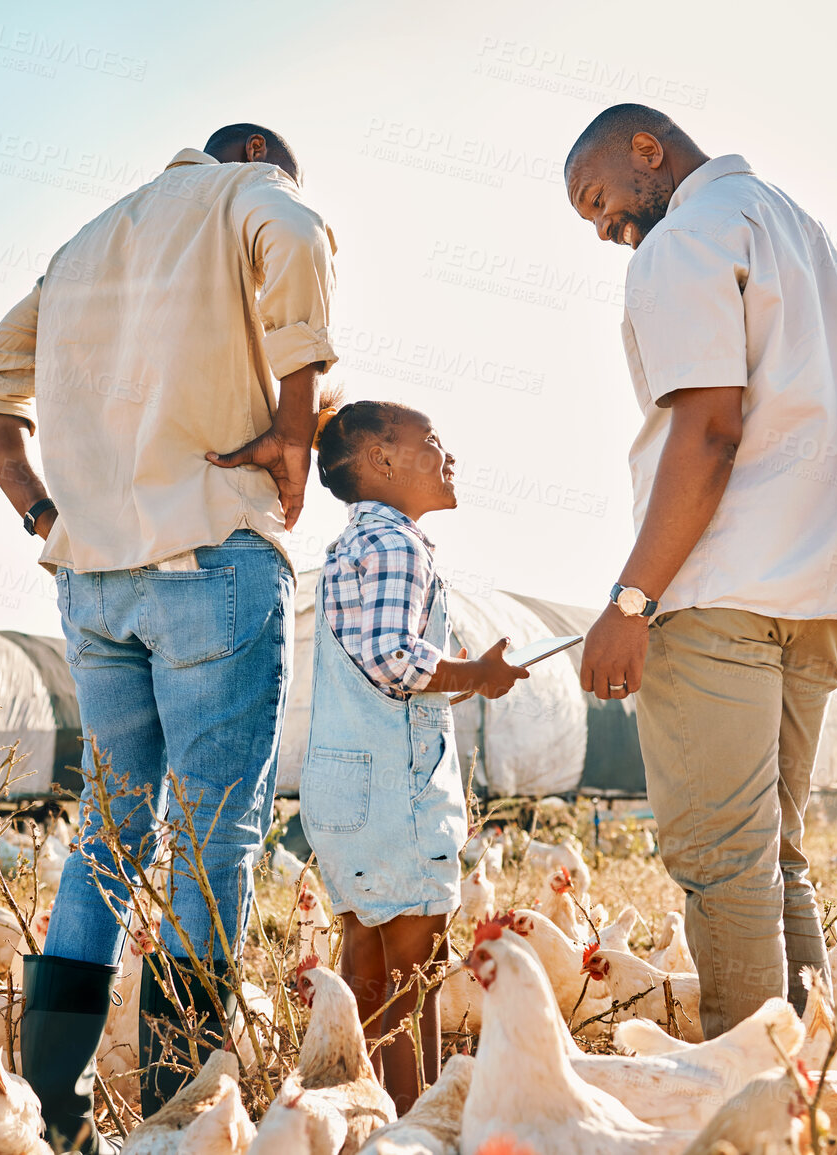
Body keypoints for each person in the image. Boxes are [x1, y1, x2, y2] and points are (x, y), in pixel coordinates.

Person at [0, 122, 335, 1149]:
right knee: (214, 837)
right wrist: (297, 425)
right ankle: (175, 1117)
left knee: (110, 835)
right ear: (255, 153)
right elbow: (296, 237)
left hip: (94, 584)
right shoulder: (251, 194)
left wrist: (46, 516)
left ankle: (49, 1116)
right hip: (212, 553)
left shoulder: (85, 244)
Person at [562, 104, 837, 1039]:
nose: (606, 229)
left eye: (601, 200)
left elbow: (709, 430)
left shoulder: (684, 242)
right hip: (826, 582)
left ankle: (748, 1109)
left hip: (723, 586)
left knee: (721, 862)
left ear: (647, 151)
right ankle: (807, 1087)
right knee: (775, 857)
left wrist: (631, 599)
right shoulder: (817, 242)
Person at [302, 399, 526, 1113]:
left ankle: (359, 1113)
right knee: (414, 975)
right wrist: (475, 676)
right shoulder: (401, 546)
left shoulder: (346, 549)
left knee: (364, 964)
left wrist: (460, 678)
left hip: (342, 789)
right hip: (395, 799)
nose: (447, 456)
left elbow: (377, 676)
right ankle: (411, 1123)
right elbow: (396, 662)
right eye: (431, 441)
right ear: (382, 459)